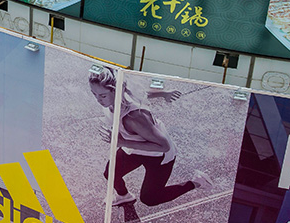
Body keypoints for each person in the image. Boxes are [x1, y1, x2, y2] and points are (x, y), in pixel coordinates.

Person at [88, 66, 206, 209]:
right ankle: (124, 196)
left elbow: (164, 145)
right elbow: (142, 93)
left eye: (103, 95)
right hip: (134, 148)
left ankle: (196, 182)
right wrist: (163, 93)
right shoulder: (118, 97)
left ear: (117, 90)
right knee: (111, 173)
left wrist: (122, 142)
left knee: (150, 198)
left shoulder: (133, 118)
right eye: (94, 94)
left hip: (158, 156)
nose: (98, 100)